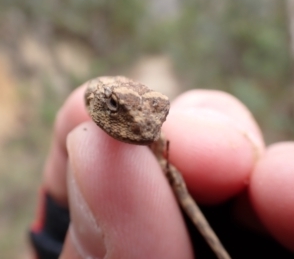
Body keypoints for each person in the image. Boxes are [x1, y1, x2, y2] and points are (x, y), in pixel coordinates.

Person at [29, 82, 294, 259]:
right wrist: (55, 237)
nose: (142, 128)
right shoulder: (93, 104)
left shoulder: (157, 142)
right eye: (112, 106)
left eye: (161, 113)